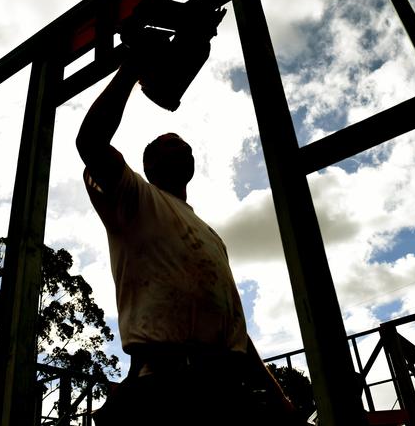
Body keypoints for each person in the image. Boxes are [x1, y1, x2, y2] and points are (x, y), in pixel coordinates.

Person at [76, 53, 305, 425]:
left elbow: (236, 332)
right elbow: (91, 141)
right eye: (167, 143)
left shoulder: (211, 236)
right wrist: (133, 64)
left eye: (182, 144)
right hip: (164, 389)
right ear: (147, 166)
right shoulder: (134, 197)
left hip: (225, 390)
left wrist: (280, 400)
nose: (178, 143)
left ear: (193, 167)